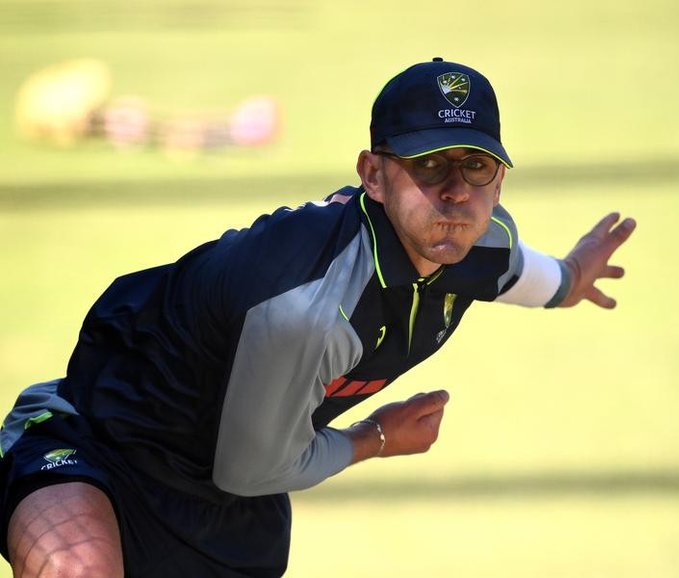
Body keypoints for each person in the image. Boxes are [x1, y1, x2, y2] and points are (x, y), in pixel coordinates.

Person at [0, 57, 636, 577]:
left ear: (499, 183)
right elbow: (252, 467)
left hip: (229, 516)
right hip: (98, 444)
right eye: (428, 164)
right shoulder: (310, 307)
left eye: (476, 165)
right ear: (374, 177)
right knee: (75, 570)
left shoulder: (478, 239)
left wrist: (574, 276)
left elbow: (517, 270)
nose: (455, 191)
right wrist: (376, 439)